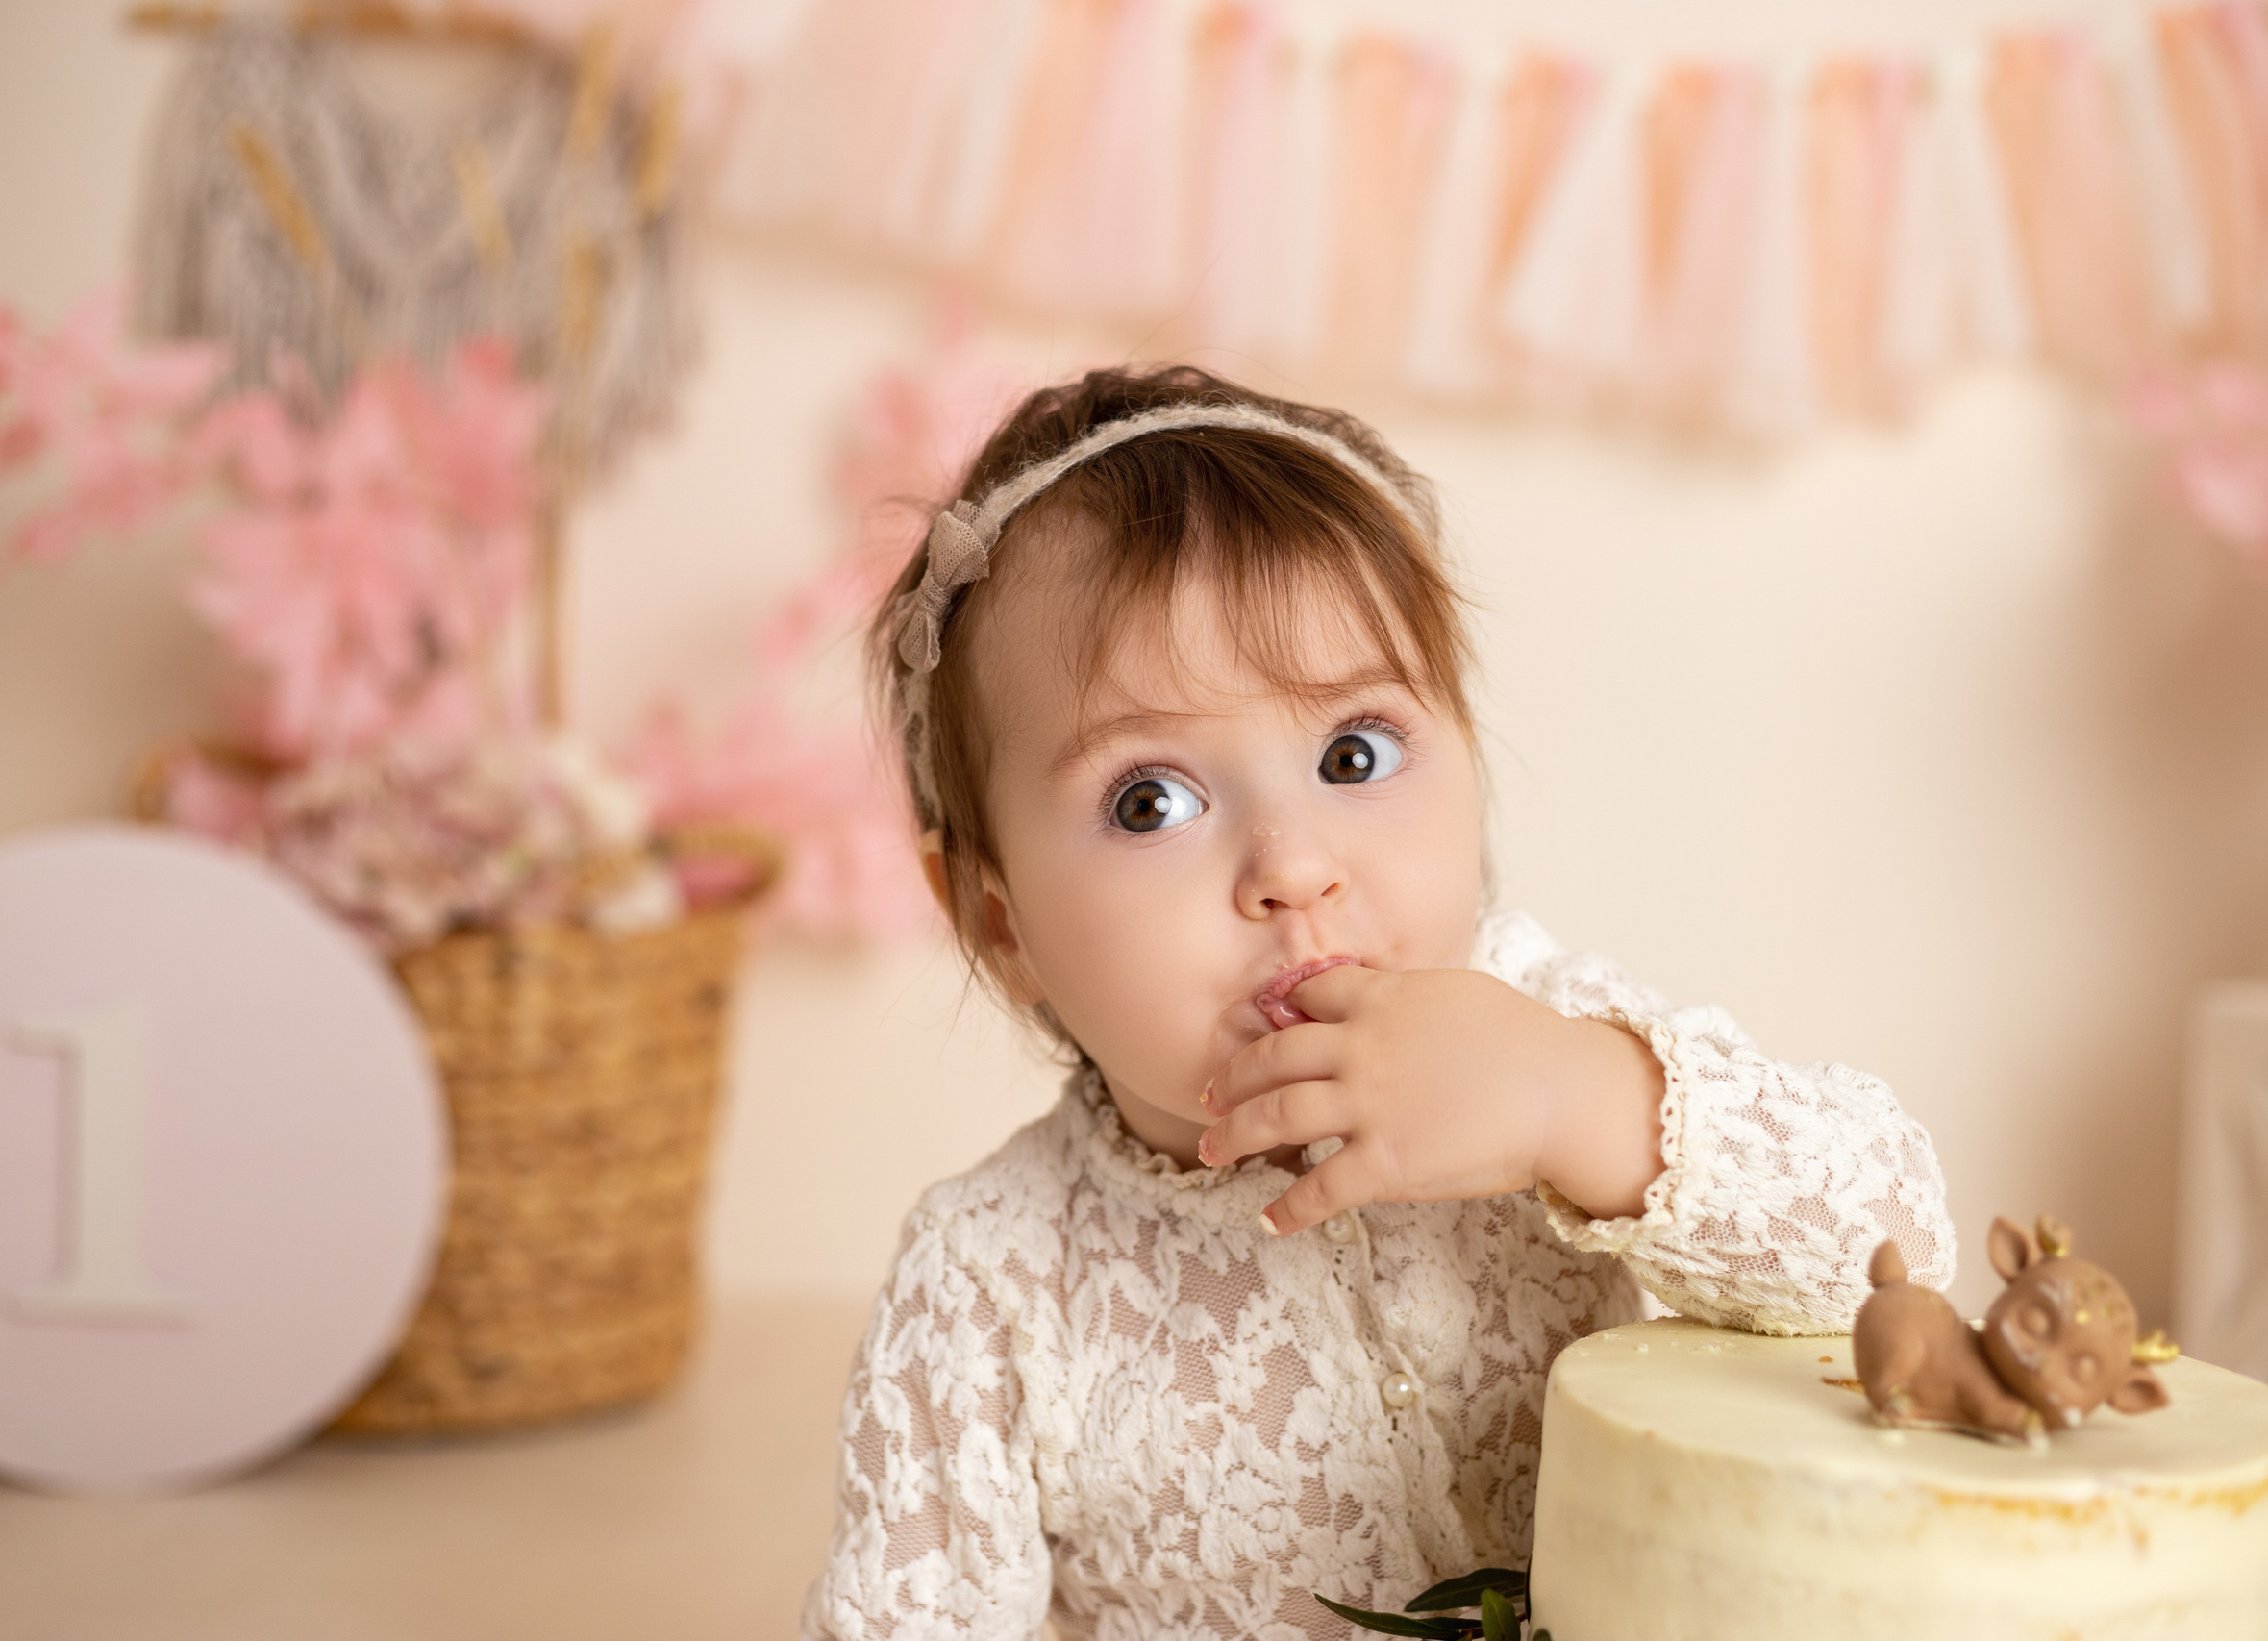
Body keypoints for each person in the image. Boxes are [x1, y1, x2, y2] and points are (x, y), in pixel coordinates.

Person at [803, 366, 1954, 1641]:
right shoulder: (993, 1281)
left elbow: (1892, 1252)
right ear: (998, 921)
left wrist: (1586, 1105)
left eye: (1354, 754)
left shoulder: (1543, 1035)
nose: (1294, 865)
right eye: (1151, 802)